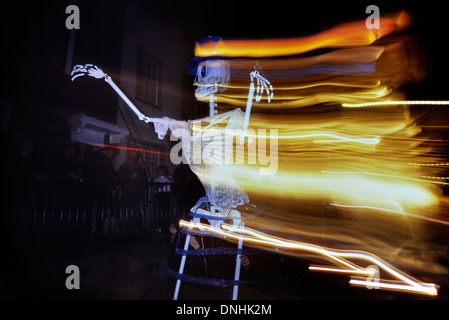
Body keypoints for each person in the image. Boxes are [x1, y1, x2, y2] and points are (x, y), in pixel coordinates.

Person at [83, 146, 119, 236]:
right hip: (99, 190)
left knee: (96, 211)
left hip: (97, 189)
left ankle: (93, 230)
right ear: (108, 151)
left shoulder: (102, 160)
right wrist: (111, 188)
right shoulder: (103, 160)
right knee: (96, 211)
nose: (113, 155)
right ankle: (94, 231)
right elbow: (108, 175)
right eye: (112, 152)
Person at [153, 165, 174, 231]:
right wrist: (163, 185)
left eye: (161, 170)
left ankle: (166, 226)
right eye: (159, 170)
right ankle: (159, 227)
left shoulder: (169, 177)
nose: (160, 172)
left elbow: (173, 181)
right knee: (159, 211)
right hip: (159, 195)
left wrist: (166, 176)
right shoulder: (157, 179)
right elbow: (155, 187)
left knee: (166, 211)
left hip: (166, 195)